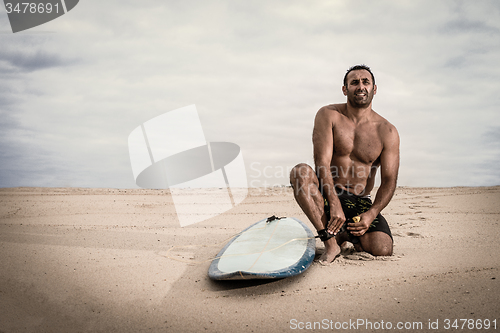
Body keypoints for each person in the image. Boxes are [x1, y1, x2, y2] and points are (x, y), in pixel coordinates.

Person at [290, 65, 400, 264]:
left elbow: (389, 181)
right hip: (328, 192)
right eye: (354, 82)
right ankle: (330, 242)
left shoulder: (387, 131)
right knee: (300, 172)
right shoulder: (328, 115)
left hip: (359, 200)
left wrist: (371, 213)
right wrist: (334, 202)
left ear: (374, 89)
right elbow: (321, 162)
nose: (360, 86)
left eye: (366, 82)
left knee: (382, 249)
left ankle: (344, 235)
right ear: (345, 89)